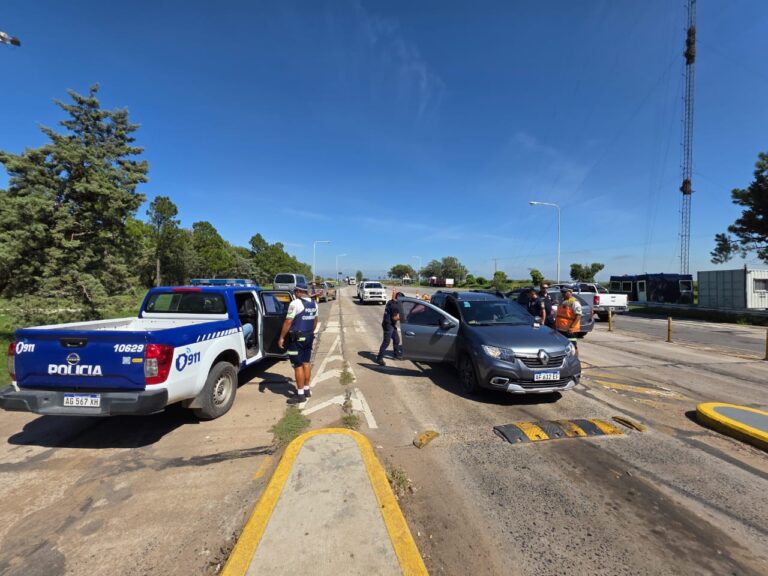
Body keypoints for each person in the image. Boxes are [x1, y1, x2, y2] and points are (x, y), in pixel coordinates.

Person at [279, 283, 318, 404]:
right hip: (309, 336)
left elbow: (288, 322)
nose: (295, 293)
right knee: (306, 363)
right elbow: (315, 320)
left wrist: (281, 337)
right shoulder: (314, 303)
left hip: (296, 339)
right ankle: (306, 389)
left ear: (298, 291)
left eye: (295, 291)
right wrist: (310, 332)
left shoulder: (295, 303)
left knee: (297, 365)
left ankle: (300, 394)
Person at [375, 296, 404, 366]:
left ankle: (396, 354)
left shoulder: (390, 301)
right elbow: (395, 318)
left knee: (396, 339)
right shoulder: (395, 306)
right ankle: (379, 358)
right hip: (388, 325)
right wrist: (404, 317)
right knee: (386, 342)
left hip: (390, 324)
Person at [555, 287, 582, 355]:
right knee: (562, 346)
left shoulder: (574, 302)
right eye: (562, 292)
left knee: (573, 346)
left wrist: (571, 327)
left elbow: (578, 316)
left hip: (570, 330)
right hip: (561, 329)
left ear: (570, 292)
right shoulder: (562, 301)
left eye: (565, 292)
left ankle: (575, 359)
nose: (563, 294)